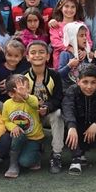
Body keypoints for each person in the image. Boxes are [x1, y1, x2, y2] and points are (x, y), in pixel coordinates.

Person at [62, 63, 96, 175]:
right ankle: (76, 158)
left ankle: (83, 152)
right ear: (78, 81)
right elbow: (67, 108)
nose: (89, 87)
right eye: (85, 82)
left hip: (89, 130)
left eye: (93, 82)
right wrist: (71, 126)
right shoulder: (72, 91)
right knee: (68, 127)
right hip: (74, 129)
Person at [23, 40, 65, 174]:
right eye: (33, 53)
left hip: (48, 113)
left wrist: (47, 107)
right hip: (30, 115)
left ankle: (56, 154)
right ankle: (32, 149)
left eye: (41, 52)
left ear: (48, 56)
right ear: (27, 56)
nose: (37, 55)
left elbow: (58, 98)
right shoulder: (23, 76)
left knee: (58, 114)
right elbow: (19, 100)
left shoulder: (54, 75)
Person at [2, 75, 44, 178]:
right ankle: (13, 164)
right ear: (11, 94)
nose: (26, 91)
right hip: (18, 137)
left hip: (33, 138)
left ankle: (38, 153)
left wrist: (25, 96)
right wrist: (12, 126)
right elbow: (5, 120)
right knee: (17, 134)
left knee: (25, 163)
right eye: (21, 89)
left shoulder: (31, 99)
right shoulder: (7, 104)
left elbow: (35, 104)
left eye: (27, 88)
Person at [49, 0, 86, 69]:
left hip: (79, 65)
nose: (69, 10)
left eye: (73, 7)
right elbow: (55, 43)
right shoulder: (55, 26)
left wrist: (85, 51)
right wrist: (70, 48)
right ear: (61, 7)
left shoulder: (81, 25)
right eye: (66, 6)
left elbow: (88, 41)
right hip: (59, 64)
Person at [58, 22, 92, 90]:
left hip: (84, 90)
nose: (85, 38)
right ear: (72, 37)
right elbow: (59, 75)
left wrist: (90, 56)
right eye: (81, 36)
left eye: (85, 35)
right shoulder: (65, 54)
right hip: (68, 91)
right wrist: (69, 66)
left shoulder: (86, 54)